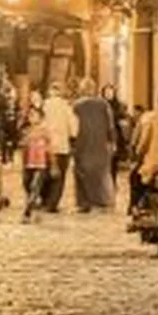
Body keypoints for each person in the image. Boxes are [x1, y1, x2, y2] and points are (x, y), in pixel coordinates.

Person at [71, 78, 116, 213]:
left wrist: (72, 143)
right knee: (101, 173)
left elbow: (73, 126)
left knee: (82, 172)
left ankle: (84, 202)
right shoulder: (104, 105)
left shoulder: (76, 105)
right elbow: (110, 125)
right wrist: (112, 141)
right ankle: (103, 201)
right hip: (100, 143)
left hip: (82, 142)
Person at [40, 82, 78, 213]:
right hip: (62, 146)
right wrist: (72, 137)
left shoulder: (44, 105)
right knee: (59, 177)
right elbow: (74, 128)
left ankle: (44, 199)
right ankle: (52, 203)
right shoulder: (66, 107)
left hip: (45, 145)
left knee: (45, 173)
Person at [20, 107, 52, 222]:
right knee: (27, 185)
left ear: (40, 117)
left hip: (40, 164)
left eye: (34, 115)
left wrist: (52, 163)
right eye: (30, 115)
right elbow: (23, 146)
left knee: (35, 186)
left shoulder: (45, 131)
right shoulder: (26, 130)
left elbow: (49, 148)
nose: (32, 117)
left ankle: (27, 213)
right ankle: (36, 207)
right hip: (28, 163)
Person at [101, 84, 130, 182]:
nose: (108, 94)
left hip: (115, 134)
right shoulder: (100, 105)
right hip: (103, 134)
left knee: (114, 160)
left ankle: (113, 180)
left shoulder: (118, 106)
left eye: (110, 92)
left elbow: (123, 118)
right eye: (106, 92)